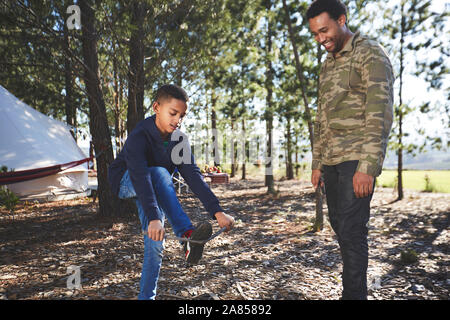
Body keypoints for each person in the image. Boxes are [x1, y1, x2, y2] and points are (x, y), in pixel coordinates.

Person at [108, 84, 235, 300]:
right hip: (126, 180)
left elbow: (193, 177)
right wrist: (154, 217)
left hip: (155, 187)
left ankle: (146, 297)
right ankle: (186, 234)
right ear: (157, 107)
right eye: (173, 113)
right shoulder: (140, 134)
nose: (177, 120)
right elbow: (139, 175)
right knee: (158, 173)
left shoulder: (178, 140)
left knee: (155, 245)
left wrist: (218, 212)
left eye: (182, 116)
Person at [306, 0, 394, 300]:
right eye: (315, 34)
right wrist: (317, 162)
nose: (321, 39)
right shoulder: (328, 64)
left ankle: (353, 295)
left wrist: (367, 166)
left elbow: (379, 112)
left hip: (356, 159)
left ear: (342, 19)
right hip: (331, 160)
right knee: (340, 226)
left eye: (325, 30)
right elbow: (322, 118)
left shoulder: (369, 54)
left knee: (353, 231)